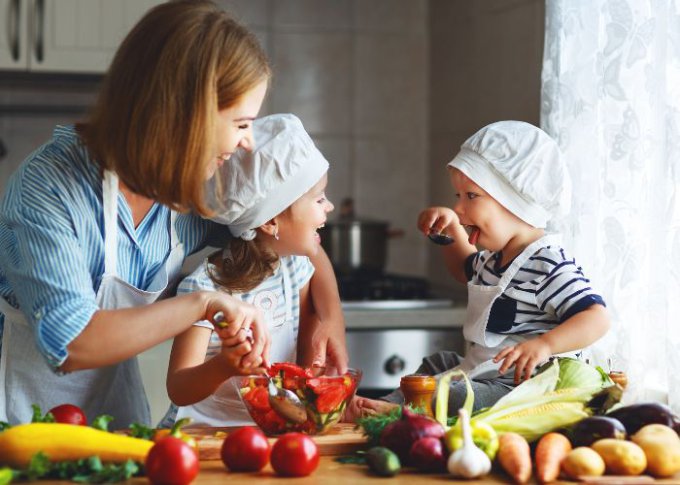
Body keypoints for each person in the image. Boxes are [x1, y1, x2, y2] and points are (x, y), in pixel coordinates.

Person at [0, 0, 346, 428]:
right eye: (240, 124)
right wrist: (202, 303)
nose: (247, 144)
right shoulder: (47, 190)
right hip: (21, 431)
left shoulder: (178, 198)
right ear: (187, 114)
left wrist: (328, 317)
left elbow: (282, 234)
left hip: (119, 427)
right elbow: (73, 344)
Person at [350, 120, 611, 418]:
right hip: (485, 370)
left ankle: (396, 412)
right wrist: (450, 230)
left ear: (515, 201)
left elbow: (596, 317)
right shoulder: (493, 258)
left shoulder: (548, 264)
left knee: (461, 394)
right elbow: (463, 268)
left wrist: (545, 345)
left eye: (470, 196)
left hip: (522, 387)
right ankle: (384, 404)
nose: (459, 208)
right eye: (457, 197)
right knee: (437, 364)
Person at [159, 113, 334, 427]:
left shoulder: (295, 268)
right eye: (319, 198)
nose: (329, 207)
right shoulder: (205, 289)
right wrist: (226, 366)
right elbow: (179, 388)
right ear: (270, 222)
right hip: (202, 438)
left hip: (267, 433)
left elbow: (305, 342)